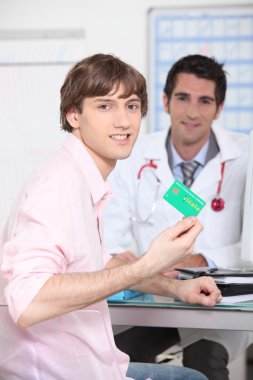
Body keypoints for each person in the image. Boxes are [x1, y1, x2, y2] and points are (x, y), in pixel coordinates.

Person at [0, 53, 221, 380]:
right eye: (105, 106)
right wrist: (148, 263)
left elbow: (98, 261)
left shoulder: (81, 177)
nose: (123, 122)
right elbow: (28, 301)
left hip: (92, 366)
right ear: (73, 114)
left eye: (131, 106)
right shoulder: (60, 184)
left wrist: (174, 289)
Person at [103, 54, 253, 380]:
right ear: (166, 101)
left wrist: (202, 259)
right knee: (113, 358)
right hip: (155, 294)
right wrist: (127, 261)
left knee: (205, 362)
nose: (193, 112)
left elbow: (251, 246)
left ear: (219, 107)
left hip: (220, 296)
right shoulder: (135, 154)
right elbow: (109, 239)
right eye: (183, 98)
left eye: (205, 101)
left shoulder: (246, 156)